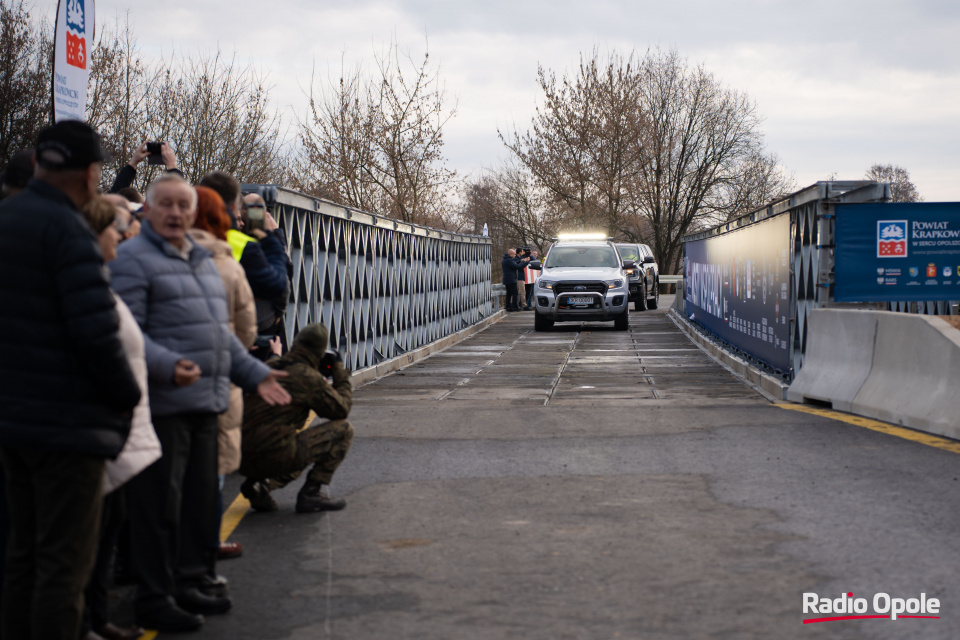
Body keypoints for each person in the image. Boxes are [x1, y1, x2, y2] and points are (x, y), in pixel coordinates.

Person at [110, 173, 291, 633]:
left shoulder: (201, 259)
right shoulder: (133, 260)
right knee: (158, 508)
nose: (174, 213)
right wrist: (168, 365)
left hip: (206, 401)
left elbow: (220, 338)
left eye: (182, 206)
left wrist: (257, 373)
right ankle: (154, 596)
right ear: (146, 211)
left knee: (194, 502)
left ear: (194, 213)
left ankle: (190, 579)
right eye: (164, 205)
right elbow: (124, 332)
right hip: (163, 404)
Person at [0, 120, 142, 640]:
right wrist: (127, 397)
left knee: (23, 557)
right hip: (65, 428)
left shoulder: (7, 217)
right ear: (88, 174)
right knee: (65, 567)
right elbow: (95, 333)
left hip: (12, 420)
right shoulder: (70, 230)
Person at [79, 196, 162, 640]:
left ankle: (96, 620)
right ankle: (87, 623)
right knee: (89, 539)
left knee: (105, 531)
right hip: (104, 430)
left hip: (115, 429)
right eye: (120, 227)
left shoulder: (98, 279)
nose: (127, 233)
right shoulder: (87, 283)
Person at [189, 186, 257, 561]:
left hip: (165, 382)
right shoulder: (229, 261)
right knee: (212, 466)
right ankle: (205, 550)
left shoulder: (149, 255)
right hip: (218, 377)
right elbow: (245, 332)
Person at [239, 323, 353, 514]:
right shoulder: (308, 377)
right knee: (342, 430)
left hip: (240, 458)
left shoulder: (268, 367)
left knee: (292, 444)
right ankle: (311, 493)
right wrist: (339, 372)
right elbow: (341, 410)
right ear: (318, 352)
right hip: (273, 455)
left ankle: (262, 485)